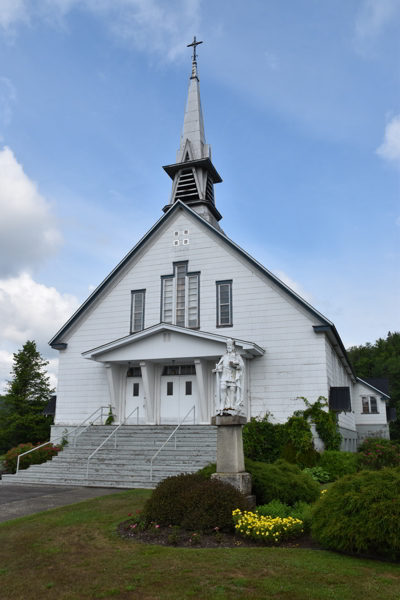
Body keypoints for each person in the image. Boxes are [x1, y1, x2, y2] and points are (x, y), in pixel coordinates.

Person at [214, 339, 245, 414]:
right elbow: (221, 365)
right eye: (228, 346)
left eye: (230, 346)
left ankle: (232, 405)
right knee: (223, 388)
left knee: (232, 389)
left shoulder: (236, 355)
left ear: (233, 347)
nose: (229, 348)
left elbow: (241, 365)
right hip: (225, 375)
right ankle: (222, 405)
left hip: (232, 374)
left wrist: (234, 364)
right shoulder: (224, 356)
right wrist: (218, 367)